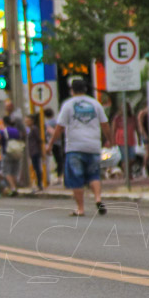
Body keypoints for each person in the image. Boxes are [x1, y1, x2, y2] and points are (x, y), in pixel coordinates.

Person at [46, 78, 114, 217]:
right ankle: (98, 199)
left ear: (72, 90)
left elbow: (59, 127)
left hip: (75, 147)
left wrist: (50, 144)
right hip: (93, 146)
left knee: (76, 178)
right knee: (94, 175)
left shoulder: (68, 105)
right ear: (86, 89)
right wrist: (110, 140)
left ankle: (81, 209)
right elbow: (105, 124)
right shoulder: (95, 104)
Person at [112, 102, 138, 179]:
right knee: (125, 158)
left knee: (132, 158)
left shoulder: (132, 117)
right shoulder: (117, 118)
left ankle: (128, 172)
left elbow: (136, 128)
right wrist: (112, 140)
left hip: (131, 139)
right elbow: (113, 129)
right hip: (121, 140)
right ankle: (127, 175)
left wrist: (139, 138)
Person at [1, 118, 24, 197]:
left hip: (8, 152)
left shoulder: (4, 131)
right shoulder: (16, 130)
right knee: (14, 171)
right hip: (17, 152)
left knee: (6, 172)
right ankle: (14, 187)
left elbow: (1, 140)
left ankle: (13, 188)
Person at [25, 114, 44, 192]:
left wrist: (41, 151)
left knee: (37, 168)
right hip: (31, 151)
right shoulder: (28, 129)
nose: (27, 122)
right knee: (35, 168)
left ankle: (39, 184)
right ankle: (37, 183)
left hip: (35, 151)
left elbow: (39, 140)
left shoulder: (34, 129)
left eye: (28, 121)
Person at [45, 107, 63, 185]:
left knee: (57, 160)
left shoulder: (47, 123)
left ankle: (58, 177)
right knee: (60, 160)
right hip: (59, 143)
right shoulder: (56, 121)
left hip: (53, 143)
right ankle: (60, 176)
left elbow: (52, 132)